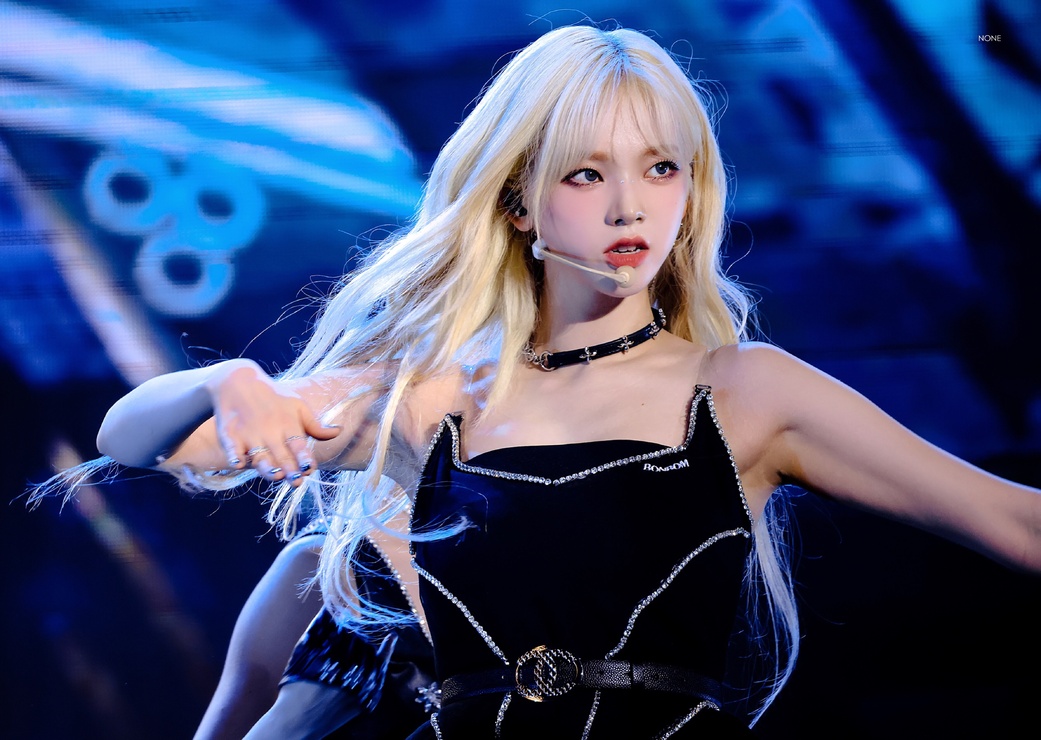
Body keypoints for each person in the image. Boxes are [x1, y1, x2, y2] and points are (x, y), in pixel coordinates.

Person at [84, 24, 1041, 738]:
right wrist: (231, 383)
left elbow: (1014, 521)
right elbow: (132, 439)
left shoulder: (747, 391)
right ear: (516, 199)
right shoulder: (430, 395)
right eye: (585, 174)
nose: (630, 206)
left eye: (660, 169)